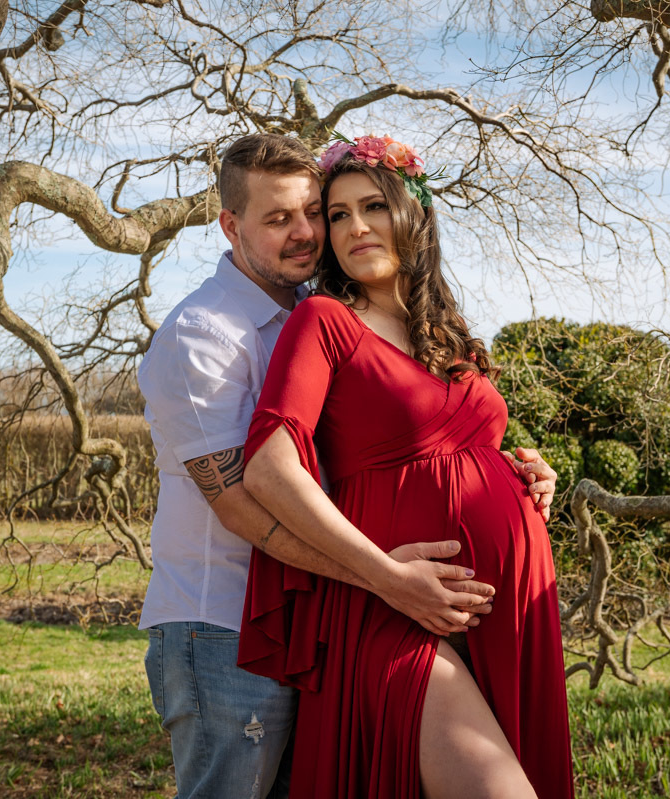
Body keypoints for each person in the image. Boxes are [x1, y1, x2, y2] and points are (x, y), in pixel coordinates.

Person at [137, 133, 558, 799]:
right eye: (283, 218)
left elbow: (402, 437)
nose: (312, 231)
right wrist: (386, 578)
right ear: (230, 224)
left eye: (315, 212)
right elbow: (248, 491)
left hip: (400, 608)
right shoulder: (204, 334)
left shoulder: (350, 316)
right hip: (226, 620)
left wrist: (515, 473)